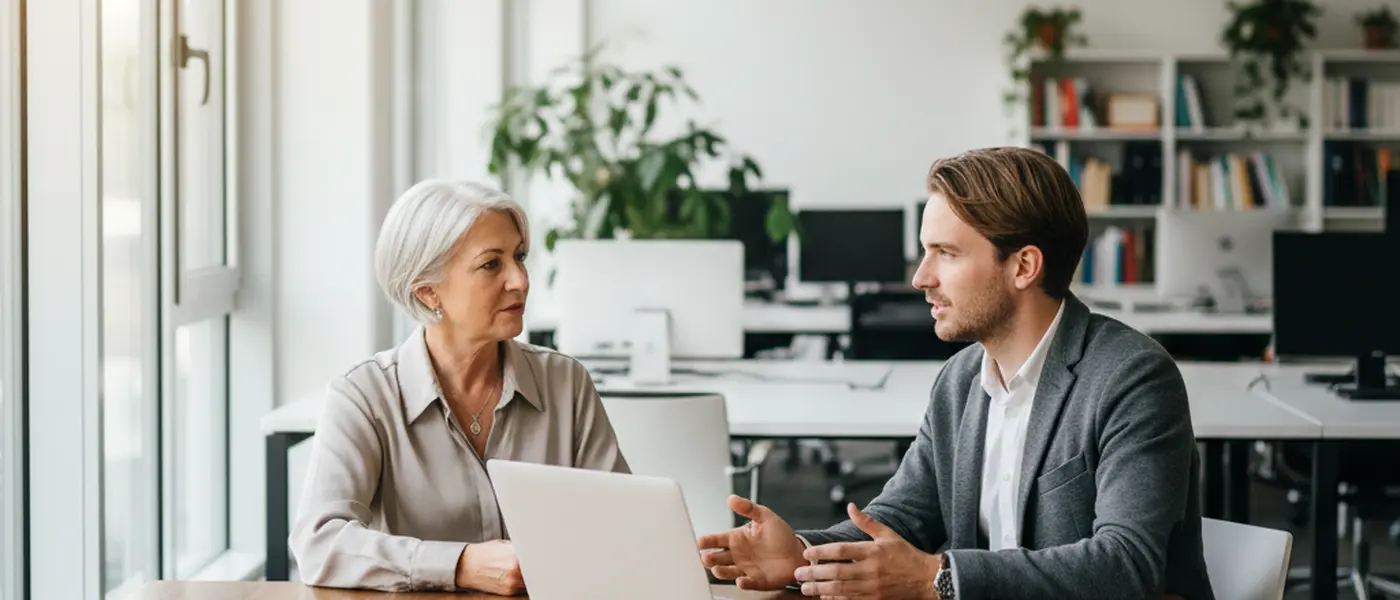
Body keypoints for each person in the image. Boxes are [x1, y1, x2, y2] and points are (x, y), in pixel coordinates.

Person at [699, 147, 1213, 600]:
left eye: (945, 253)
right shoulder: (961, 379)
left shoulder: (1131, 377)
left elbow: (1126, 566)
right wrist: (800, 555)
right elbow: (901, 520)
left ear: (1023, 266)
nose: (921, 278)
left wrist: (937, 580)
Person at [290, 179, 630, 594]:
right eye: (492, 265)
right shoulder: (364, 396)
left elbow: (621, 523)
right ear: (427, 291)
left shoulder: (565, 382)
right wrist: (460, 564)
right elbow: (320, 544)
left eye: (519, 257)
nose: (520, 280)